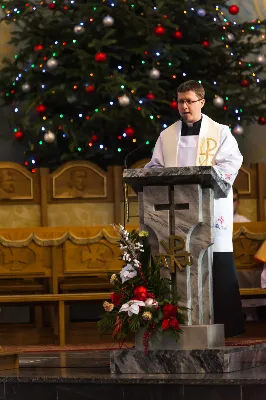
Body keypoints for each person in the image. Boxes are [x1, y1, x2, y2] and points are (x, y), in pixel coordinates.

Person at [145, 80, 245, 337]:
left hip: (209, 208)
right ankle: (176, 323)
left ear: (201, 101)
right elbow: (155, 166)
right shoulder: (167, 135)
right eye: (180, 101)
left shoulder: (220, 132)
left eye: (189, 101)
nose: (185, 106)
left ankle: (225, 325)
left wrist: (206, 181)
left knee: (215, 260)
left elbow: (231, 162)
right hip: (175, 215)